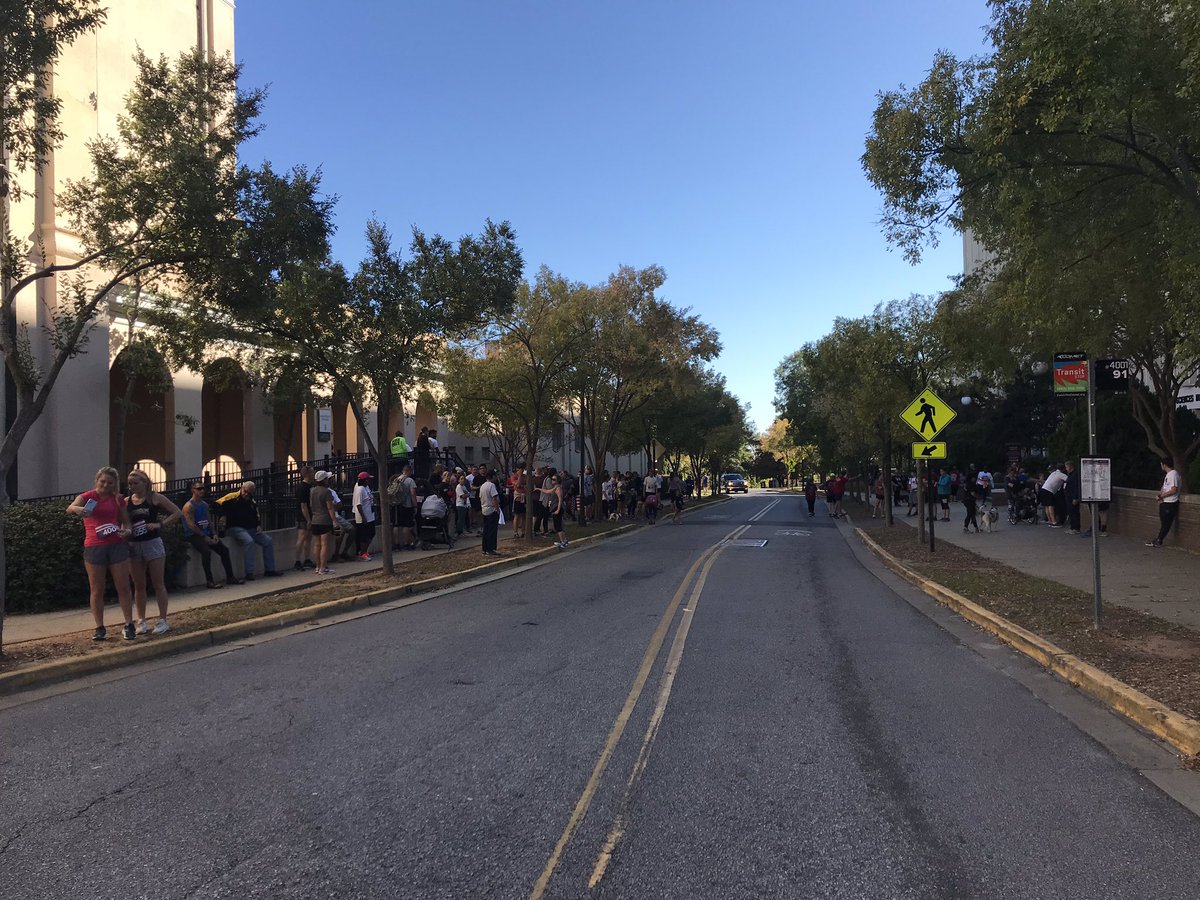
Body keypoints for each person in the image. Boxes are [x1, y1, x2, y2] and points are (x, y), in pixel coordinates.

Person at [69, 467, 136, 641]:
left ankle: (129, 624)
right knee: (97, 589)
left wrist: (126, 531)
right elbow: (71, 507)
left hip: (116, 545)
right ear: (97, 480)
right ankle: (99, 627)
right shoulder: (88, 497)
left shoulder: (117, 499)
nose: (106, 485)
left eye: (110, 483)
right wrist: (78, 510)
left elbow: (126, 522)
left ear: (115, 484)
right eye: (103, 481)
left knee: (123, 586)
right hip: (94, 547)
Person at [125, 468, 183, 635]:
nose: (133, 487)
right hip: (134, 545)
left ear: (145, 483)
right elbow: (123, 520)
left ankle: (163, 619)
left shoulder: (155, 498)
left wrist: (160, 524)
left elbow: (177, 512)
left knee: (158, 583)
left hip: (152, 543)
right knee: (139, 585)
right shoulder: (127, 501)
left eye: (136, 483)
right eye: (130, 484)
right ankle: (141, 620)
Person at [214, 481, 282, 580]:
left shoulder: (252, 502)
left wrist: (258, 525)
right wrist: (222, 515)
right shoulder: (232, 497)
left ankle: (269, 569)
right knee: (249, 541)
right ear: (242, 488)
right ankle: (249, 572)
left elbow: (257, 514)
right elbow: (216, 504)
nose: (246, 494)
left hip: (251, 528)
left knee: (268, 541)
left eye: (249, 493)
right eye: (245, 491)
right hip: (235, 527)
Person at [182, 482, 241, 588]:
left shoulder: (204, 505)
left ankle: (230, 577)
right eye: (199, 489)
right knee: (206, 552)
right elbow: (191, 525)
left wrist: (214, 534)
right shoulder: (189, 506)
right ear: (193, 490)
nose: (201, 491)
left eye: (203, 488)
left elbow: (209, 521)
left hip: (206, 533)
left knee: (224, 550)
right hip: (193, 535)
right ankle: (210, 581)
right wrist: (204, 537)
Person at [1147, 457, 1182, 547]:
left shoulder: (1173, 475)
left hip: (1170, 503)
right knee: (1164, 523)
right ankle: (1158, 539)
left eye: (1161, 465)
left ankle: (1159, 540)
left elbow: (1173, 490)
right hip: (1165, 502)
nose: (1161, 466)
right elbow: (1165, 487)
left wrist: (1161, 496)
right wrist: (1161, 497)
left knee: (1166, 523)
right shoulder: (1169, 475)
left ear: (1164, 465)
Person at [307, 470, 338, 574]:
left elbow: (310, 505)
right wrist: (334, 520)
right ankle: (323, 568)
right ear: (324, 480)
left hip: (315, 519)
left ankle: (317, 566)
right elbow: (330, 507)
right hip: (324, 520)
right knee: (324, 545)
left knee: (316, 544)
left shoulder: (312, 491)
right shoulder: (326, 491)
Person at [538, 472, 568, 549]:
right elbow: (548, 491)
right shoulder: (555, 487)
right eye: (552, 479)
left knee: (558, 526)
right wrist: (538, 489)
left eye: (554, 479)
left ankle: (563, 542)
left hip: (557, 508)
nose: (552, 481)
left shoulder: (558, 488)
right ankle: (564, 540)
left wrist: (558, 509)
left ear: (558, 480)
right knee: (558, 525)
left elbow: (560, 499)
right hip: (554, 507)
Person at [294, 466, 316, 571]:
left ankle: (307, 559)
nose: (313, 474)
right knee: (302, 537)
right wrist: (308, 519)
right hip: (303, 516)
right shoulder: (303, 488)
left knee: (308, 538)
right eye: (312, 472)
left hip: (309, 514)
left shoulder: (309, 486)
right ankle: (297, 561)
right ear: (307, 474)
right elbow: (303, 505)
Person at [352, 471, 376, 560]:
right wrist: (363, 517)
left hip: (370, 515)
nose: (369, 481)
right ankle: (362, 553)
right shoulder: (360, 490)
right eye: (368, 479)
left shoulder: (366, 487)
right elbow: (358, 504)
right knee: (364, 536)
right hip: (363, 516)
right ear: (365, 480)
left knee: (371, 533)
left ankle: (365, 551)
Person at [394, 462, 417, 550]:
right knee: (406, 525)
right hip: (407, 505)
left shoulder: (396, 479)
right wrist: (415, 506)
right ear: (409, 471)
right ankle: (407, 544)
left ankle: (396, 545)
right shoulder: (410, 480)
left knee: (396, 525)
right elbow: (412, 494)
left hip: (396, 505)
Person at [480, 469, 501, 555]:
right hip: (492, 509)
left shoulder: (482, 486)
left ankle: (484, 548)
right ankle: (490, 548)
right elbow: (494, 498)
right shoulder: (492, 485)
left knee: (486, 530)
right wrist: (497, 509)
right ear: (492, 477)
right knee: (492, 530)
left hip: (484, 508)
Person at [1064, 460, 1082, 534]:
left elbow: (1076, 486)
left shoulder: (1075, 475)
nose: (1066, 469)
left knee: (1074, 512)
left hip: (1072, 496)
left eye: (1066, 467)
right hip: (1069, 496)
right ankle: (1072, 527)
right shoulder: (1070, 474)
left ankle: (1076, 528)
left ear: (1070, 467)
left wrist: (1075, 497)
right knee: (1071, 512)